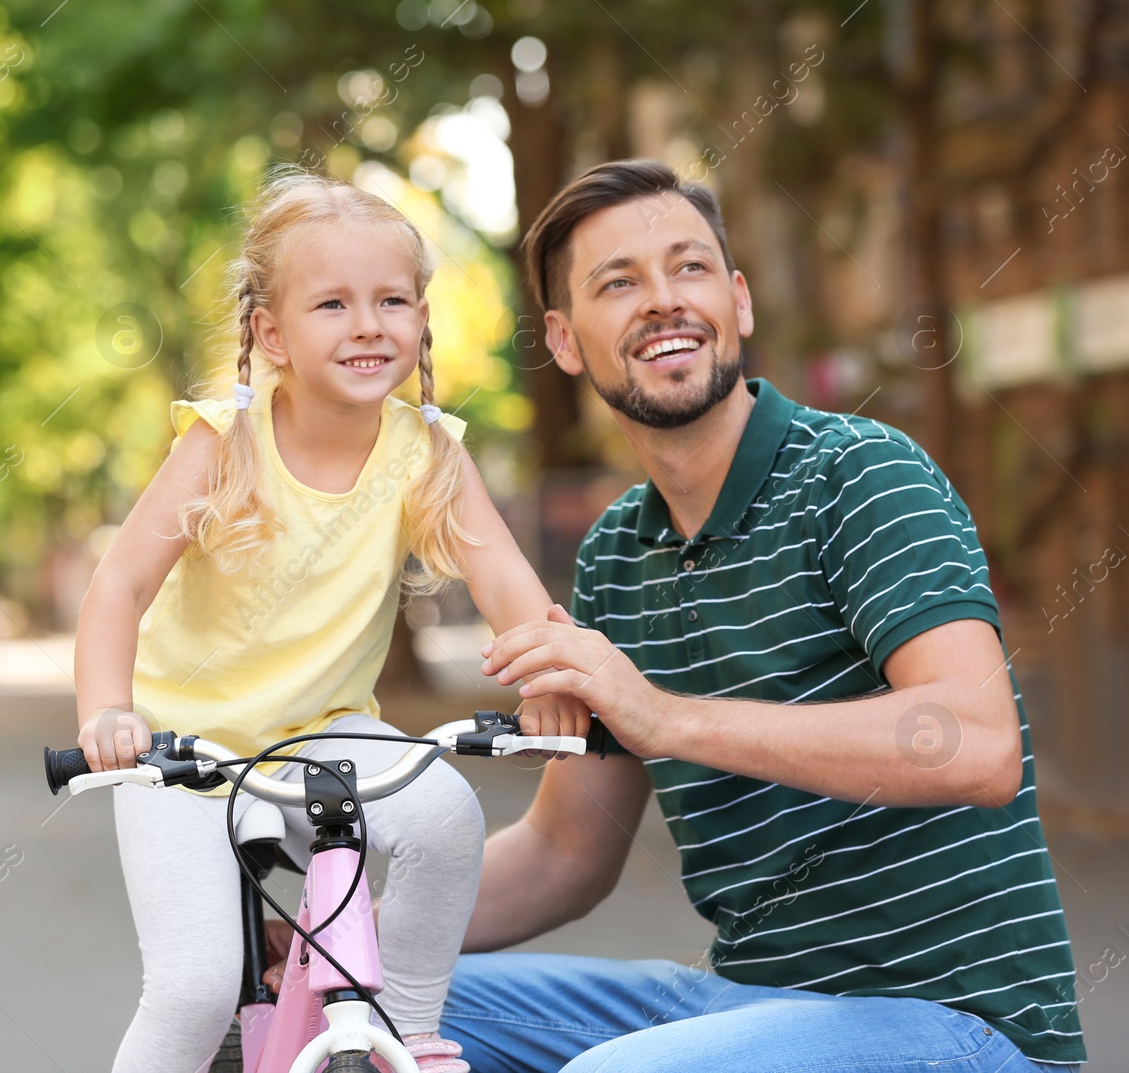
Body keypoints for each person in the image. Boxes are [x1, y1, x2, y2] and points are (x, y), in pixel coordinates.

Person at [438, 160, 1085, 1071]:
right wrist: (346, 943)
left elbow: (975, 743)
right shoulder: (617, 555)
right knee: (378, 1001)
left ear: (738, 301)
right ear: (563, 340)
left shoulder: (859, 474)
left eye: (690, 268)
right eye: (618, 282)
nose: (664, 301)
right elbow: (564, 849)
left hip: (957, 1020)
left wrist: (663, 717)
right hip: (746, 999)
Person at [73, 171, 589, 1073]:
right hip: (183, 751)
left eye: (392, 299)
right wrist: (108, 714)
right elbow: (117, 586)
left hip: (323, 732)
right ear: (271, 332)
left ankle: (408, 1031)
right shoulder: (224, 440)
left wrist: (551, 683)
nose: (367, 324)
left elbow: (507, 579)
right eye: (332, 303)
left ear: (423, 319)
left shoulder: (424, 450)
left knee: (444, 816)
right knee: (195, 986)